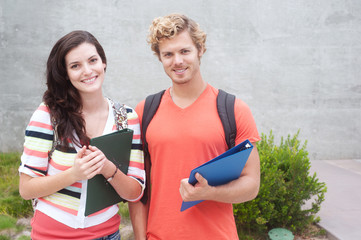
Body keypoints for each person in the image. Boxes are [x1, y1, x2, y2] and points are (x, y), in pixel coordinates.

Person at [129, 13, 261, 239]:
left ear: (200, 49)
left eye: (184, 51)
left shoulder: (233, 110)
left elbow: (251, 185)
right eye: (168, 54)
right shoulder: (145, 111)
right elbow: (139, 190)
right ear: (160, 58)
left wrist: (211, 192)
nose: (177, 61)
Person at [18, 30, 145, 240]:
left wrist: (108, 168)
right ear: (65, 74)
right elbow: (26, 189)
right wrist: (74, 174)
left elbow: (135, 192)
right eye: (75, 66)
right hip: (52, 235)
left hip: (107, 235)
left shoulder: (127, 118)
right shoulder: (48, 115)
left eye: (92, 60)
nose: (87, 71)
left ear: (103, 63)